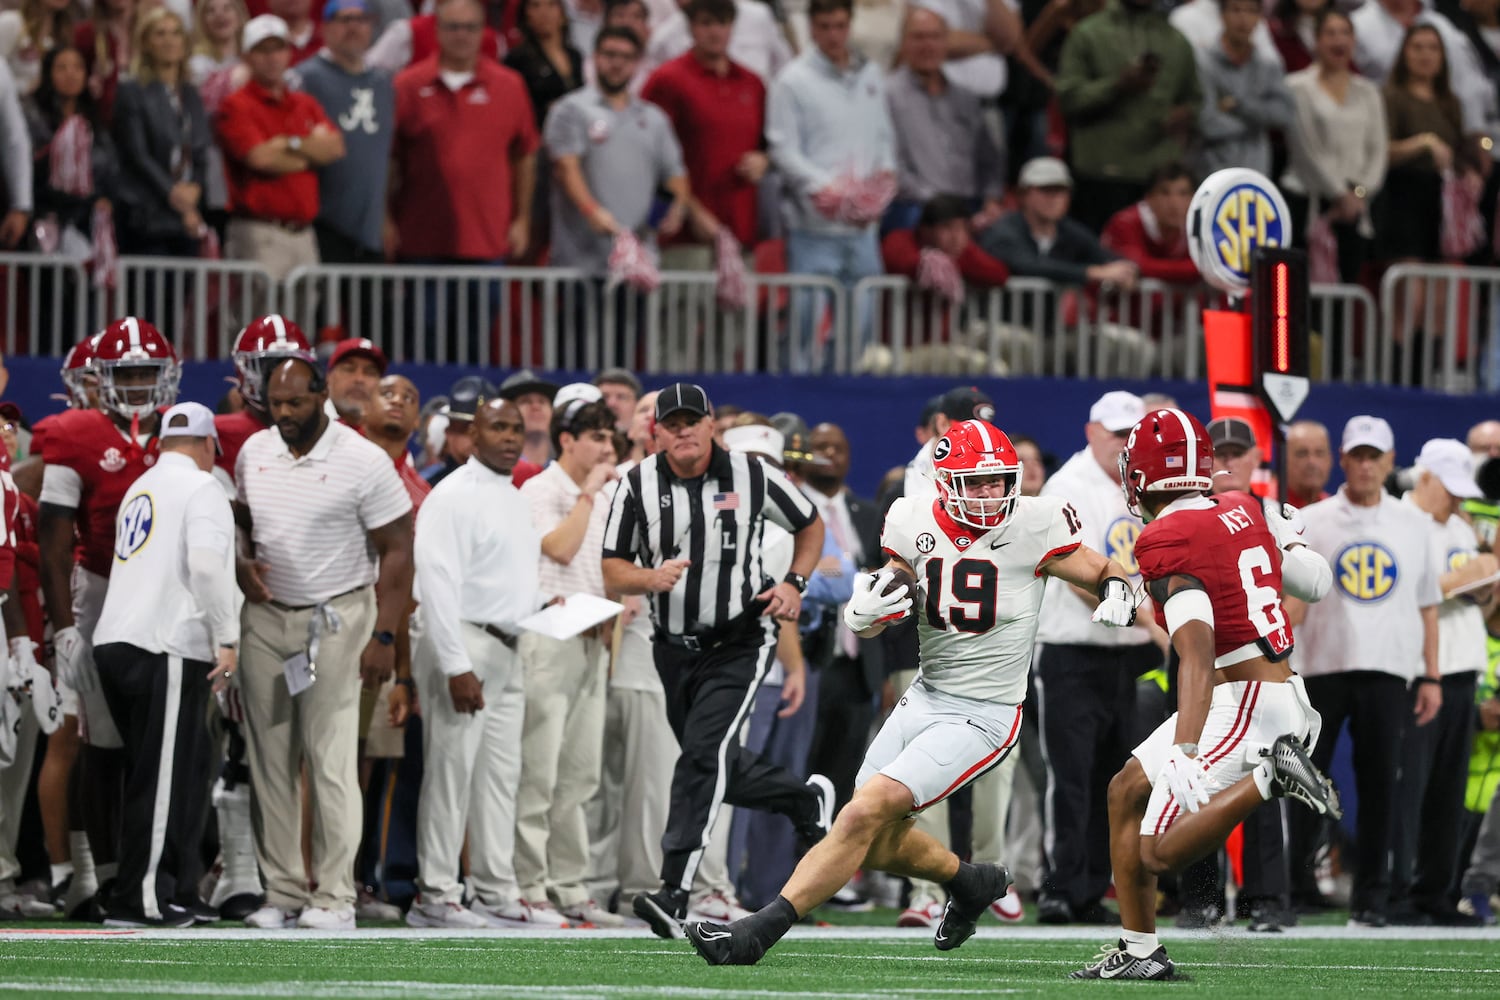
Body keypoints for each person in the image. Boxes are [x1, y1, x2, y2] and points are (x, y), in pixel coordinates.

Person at [686, 417, 1140, 965]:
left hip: (987, 712)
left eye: (998, 479)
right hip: (926, 695)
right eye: (975, 482)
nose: (990, 492)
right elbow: (898, 581)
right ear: (943, 483)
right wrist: (868, 612)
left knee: (861, 815)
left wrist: (1118, 591)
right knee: (869, 834)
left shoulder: (1035, 522)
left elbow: (1101, 569)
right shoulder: (911, 515)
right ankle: (968, 881)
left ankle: (755, 933)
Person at [1069, 406, 1338, 980]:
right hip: (1271, 687)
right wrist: (1288, 544)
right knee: (1126, 790)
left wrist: (1186, 747)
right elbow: (1315, 583)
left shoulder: (1165, 535)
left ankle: (1272, 776)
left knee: (1158, 852)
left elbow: (1194, 650)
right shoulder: (1243, 507)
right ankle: (1140, 953)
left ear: (1140, 474)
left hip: (1241, 700)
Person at [600, 383, 833, 939]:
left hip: (740, 638)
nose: (683, 430)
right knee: (712, 761)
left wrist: (795, 583)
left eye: (692, 420)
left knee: (702, 758)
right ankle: (804, 800)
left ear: (711, 426)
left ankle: (674, 889)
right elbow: (612, 567)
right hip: (672, 648)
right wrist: (648, 578)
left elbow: (810, 523)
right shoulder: (636, 483)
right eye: (671, 422)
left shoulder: (752, 475)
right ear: (656, 431)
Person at [234, 357, 414, 930]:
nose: (284, 413)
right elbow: (244, 525)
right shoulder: (253, 452)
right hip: (265, 617)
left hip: (337, 615)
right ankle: (283, 892)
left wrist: (384, 635)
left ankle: (335, 895)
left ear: (321, 397)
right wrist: (241, 566)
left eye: (296, 402)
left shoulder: (362, 460)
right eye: (276, 403)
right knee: (269, 759)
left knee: (331, 758)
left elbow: (399, 551)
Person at [38, 317, 181, 920]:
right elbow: (52, 538)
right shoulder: (73, 433)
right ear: (101, 378)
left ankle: (154, 877)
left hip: (166, 593)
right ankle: (106, 877)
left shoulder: (183, 431)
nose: (142, 383)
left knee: (160, 742)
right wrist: (65, 623)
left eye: (149, 371)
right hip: (99, 587)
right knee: (100, 740)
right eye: (129, 373)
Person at [1286, 415, 1443, 927]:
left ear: (1390, 462)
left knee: (1381, 789)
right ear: (1345, 461)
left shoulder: (1414, 524)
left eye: (1376, 456)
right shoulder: (1315, 519)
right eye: (1359, 455)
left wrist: (1431, 675)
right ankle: (1293, 888)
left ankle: (1372, 899)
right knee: (1301, 780)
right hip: (1321, 668)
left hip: (1389, 671)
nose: (1367, 465)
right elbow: (1295, 600)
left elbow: (1428, 605)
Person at [92, 403, 237, 927]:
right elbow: (204, 564)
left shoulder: (141, 486)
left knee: (163, 774)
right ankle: (140, 899)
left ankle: (171, 889)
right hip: (165, 643)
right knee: (159, 782)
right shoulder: (203, 488)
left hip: (116, 641)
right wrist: (228, 635)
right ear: (208, 444)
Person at [406, 398, 546, 929]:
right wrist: (454, 664)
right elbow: (437, 587)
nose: (511, 438)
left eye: (517, 429)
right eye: (498, 428)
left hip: (510, 645)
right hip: (464, 641)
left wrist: (540, 608)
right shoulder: (452, 496)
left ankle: (492, 888)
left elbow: (505, 576)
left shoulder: (512, 497)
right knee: (450, 773)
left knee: (499, 777)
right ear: (470, 434)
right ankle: (436, 894)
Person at [1031, 390, 1158, 925]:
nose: (1123, 444)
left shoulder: (1139, 488)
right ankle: (1059, 887)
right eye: (1115, 433)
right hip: (1072, 650)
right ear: (1090, 433)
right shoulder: (1069, 488)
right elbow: (1075, 571)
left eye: (1132, 434)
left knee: (1113, 777)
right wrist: (1146, 620)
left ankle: (1089, 891)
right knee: (1071, 776)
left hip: (1125, 654)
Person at [1390, 439, 1494, 925]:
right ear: (1424, 477)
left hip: (1463, 666)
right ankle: (1399, 894)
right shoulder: (1397, 521)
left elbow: (1473, 589)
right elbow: (1403, 592)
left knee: (1449, 793)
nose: (1456, 500)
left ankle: (1437, 892)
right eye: (1448, 489)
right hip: (1417, 672)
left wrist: (1483, 576)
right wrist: (1466, 576)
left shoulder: (1458, 525)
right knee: (1410, 790)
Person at [767, 0, 895, 374]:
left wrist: (884, 176)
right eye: (824, 26)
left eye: (840, 26)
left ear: (850, 24)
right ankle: (796, 395)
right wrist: (826, 188)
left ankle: (848, 393)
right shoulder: (792, 80)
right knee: (804, 322)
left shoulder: (871, 74)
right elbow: (782, 147)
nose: (833, 35)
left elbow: (883, 136)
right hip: (813, 228)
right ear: (811, 27)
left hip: (863, 229)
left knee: (863, 323)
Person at [218, 15, 345, 285]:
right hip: (259, 233)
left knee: (303, 324)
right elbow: (260, 158)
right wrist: (309, 153)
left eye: (278, 48)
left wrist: (288, 144)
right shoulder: (236, 105)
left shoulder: (304, 103)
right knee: (259, 323)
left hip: (304, 234)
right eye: (262, 50)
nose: (272, 57)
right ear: (247, 56)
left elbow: (334, 148)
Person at [640, 0, 767, 271]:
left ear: (733, 27)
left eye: (722, 23)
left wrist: (763, 161)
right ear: (690, 28)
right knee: (680, 312)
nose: (715, 32)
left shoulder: (752, 83)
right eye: (706, 23)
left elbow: (767, 146)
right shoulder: (667, 79)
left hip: (739, 232)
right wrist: (689, 208)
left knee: (739, 312)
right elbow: (646, 154)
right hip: (680, 235)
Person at [1054, 0, 1201, 233]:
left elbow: (1196, 100)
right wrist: (1117, 86)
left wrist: (1184, 115)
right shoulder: (1088, 33)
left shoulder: (1176, 40)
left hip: (1159, 179)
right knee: (1106, 263)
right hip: (1102, 174)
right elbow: (1068, 99)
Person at [1282, 9, 1387, 286]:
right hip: (1307, 202)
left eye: (1345, 33)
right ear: (1316, 41)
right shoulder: (1296, 87)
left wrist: (1359, 193)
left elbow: (1378, 151)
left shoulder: (1368, 91)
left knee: (1347, 294)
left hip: (1354, 209)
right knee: (1301, 295)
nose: (1338, 40)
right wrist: (1339, 194)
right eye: (1330, 33)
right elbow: (1305, 150)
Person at [883, 6, 1005, 233]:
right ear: (903, 44)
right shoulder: (887, 96)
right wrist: (940, 205)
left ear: (946, 43)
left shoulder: (966, 97)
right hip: (916, 206)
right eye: (918, 37)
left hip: (969, 205)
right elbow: (890, 166)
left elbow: (989, 159)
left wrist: (991, 199)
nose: (928, 45)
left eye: (935, 37)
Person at [297, 0, 394, 267]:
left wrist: (385, 218)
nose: (353, 28)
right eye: (344, 20)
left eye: (361, 20)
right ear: (326, 28)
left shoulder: (383, 83)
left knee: (374, 309)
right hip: (321, 223)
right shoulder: (306, 78)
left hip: (370, 229)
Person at [111, 8, 210, 258]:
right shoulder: (131, 90)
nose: (169, 41)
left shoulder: (190, 93)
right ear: (145, 42)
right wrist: (177, 196)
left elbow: (199, 150)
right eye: (160, 34)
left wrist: (195, 188)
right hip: (147, 214)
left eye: (176, 33)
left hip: (187, 214)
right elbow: (138, 155)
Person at [977, 157, 1139, 292]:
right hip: (996, 323)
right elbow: (1028, 265)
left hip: (1049, 326)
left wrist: (1128, 272)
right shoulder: (1003, 230)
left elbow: (1108, 258)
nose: (1055, 198)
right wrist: (1092, 272)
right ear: (1023, 194)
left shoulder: (1069, 231)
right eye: (1046, 190)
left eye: (1061, 190)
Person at [1195, 0, 1294, 178]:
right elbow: (1207, 123)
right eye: (1236, 10)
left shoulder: (1268, 66)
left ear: (1259, 18)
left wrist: (1239, 106)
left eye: (1250, 11)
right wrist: (1258, 124)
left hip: (1257, 171)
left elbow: (1285, 114)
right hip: (1211, 170)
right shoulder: (1204, 63)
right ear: (1222, 16)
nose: (1243, 18)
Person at [1100, 162, 1200, 285]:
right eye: (1165, 193)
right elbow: (1137, 265)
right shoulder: (1125, 223)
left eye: (1183, 194)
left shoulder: (1198, 224)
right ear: (1149, 198)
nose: (1174, 203)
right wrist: (1195, 269)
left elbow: (1211, 266)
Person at [324, 336, 386, 426]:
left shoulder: (386, 436)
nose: (359, 379)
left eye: (370, 373)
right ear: (328, 378)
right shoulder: (307, 425)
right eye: (349, 369)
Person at [1285, 419, 1333, 509]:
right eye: (1302, 453)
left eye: (1319, 453)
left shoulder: (1333, 509)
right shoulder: (1265, 506)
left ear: (1329, 460)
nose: (1312, 461)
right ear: (1284, 460)